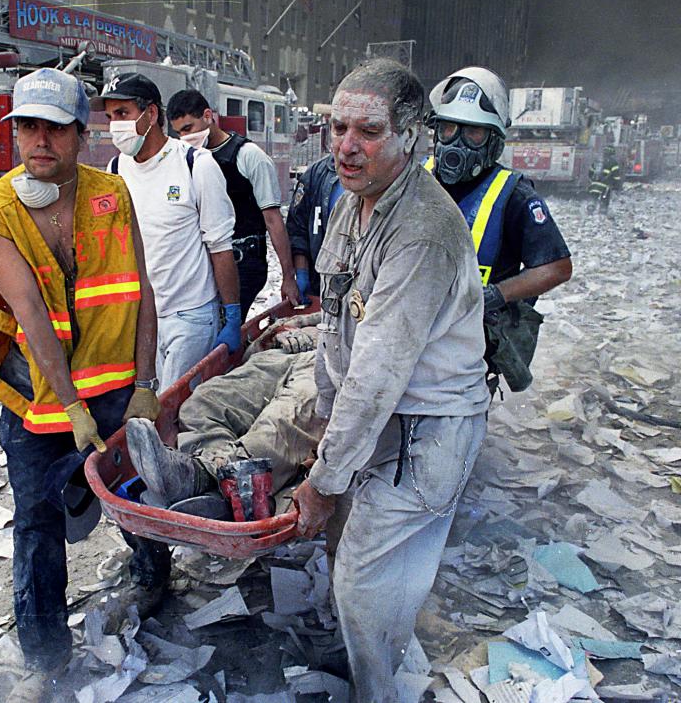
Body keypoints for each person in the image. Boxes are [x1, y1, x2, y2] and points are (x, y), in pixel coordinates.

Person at [0, 68, 171, 702]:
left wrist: (145, 384)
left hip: (114, 390)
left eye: (54, 128)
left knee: (137, 496)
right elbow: (28, 310)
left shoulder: (112, 193)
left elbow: (141, 291)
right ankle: (46, 653)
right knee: (37, 523)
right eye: (26, 126)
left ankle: (154, 576)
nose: (38, 140)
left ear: (83, 135)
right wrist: (73, 408)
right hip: (37, 403)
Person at [291, 59, 491, 702]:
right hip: (379, 421)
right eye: (337, 127)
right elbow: (335, 327)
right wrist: (325, 432)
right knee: (348, 551)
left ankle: (375, 691)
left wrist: (323, 480)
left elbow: (378, 375)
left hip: (426, 435)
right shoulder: (355, 203)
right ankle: (362, 651)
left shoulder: (422, 232)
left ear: (411, 135)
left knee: (363, 577)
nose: (346, 147)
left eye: (368, 131)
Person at [425, 67, 573, 394]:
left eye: (473, 133)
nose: (457, 142)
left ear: (494, 141)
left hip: (470, 348)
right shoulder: (415, 179)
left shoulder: (515, 195)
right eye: (448, 128)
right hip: (412, 328)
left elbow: (557, 267)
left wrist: (498, 294)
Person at [92, 74, 243, 389]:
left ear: (150, 114)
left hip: (190, 316)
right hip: (142, 317)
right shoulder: (116, 171)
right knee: (150, 410)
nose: (114, 125)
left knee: (178, 410)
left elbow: (219, 246)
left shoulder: (194, 165)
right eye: (109, 117)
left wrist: (231, 311)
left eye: (122, 114)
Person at [124, 314, 322, 520]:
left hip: (331, 363)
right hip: (283, 353)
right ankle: (218, 487)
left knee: (283, 417)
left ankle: (203, 478)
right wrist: (280, 332)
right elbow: (285, 326)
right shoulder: (332, 295)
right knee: (203, 402)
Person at [166, 89, 301, 317]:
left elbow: (273, 219)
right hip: (205, 264)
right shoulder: (188, 161)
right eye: (179, 132)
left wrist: (288, 277)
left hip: (244, 265)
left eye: (188, 128)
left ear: (208, 116)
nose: (185, 138)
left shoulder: (249, 157)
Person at [286, 152, 344, 300]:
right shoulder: (316, 174)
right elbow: (298, 227)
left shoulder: (384, 177)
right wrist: (301, 273)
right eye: (340, 129)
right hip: (319, 283)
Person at [588, 144, 622, 215]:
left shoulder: (598, 161)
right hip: (605, 185)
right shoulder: (613, 162)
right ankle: (602, 211)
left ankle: (590, 208)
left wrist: (592, 180)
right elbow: (616, 176)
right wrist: (617, 186)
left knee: (594, 196)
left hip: (594, 184)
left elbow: (590, 171)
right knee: (605, 198)